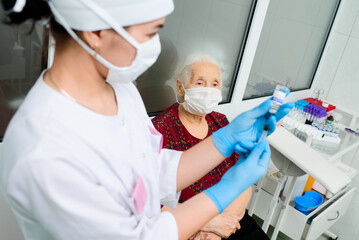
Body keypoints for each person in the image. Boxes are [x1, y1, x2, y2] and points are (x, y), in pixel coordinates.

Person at [0, 1, 293, 240]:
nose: (155, 48)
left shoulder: (120, 88)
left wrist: (224, 141)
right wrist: (222, 193)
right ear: (97, 32)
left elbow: (148, 167)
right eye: (151, 33)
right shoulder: (45, 150)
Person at [153, 56, 269, 240]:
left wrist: (224, 223)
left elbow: (243, 183)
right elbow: (150, 205)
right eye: (200, 82)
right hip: (189, 226)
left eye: (214, 84)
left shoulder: (222, 123)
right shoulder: (161, 130)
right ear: (180, 87)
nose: (208, 90)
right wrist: (207, 225)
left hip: (232, 218)